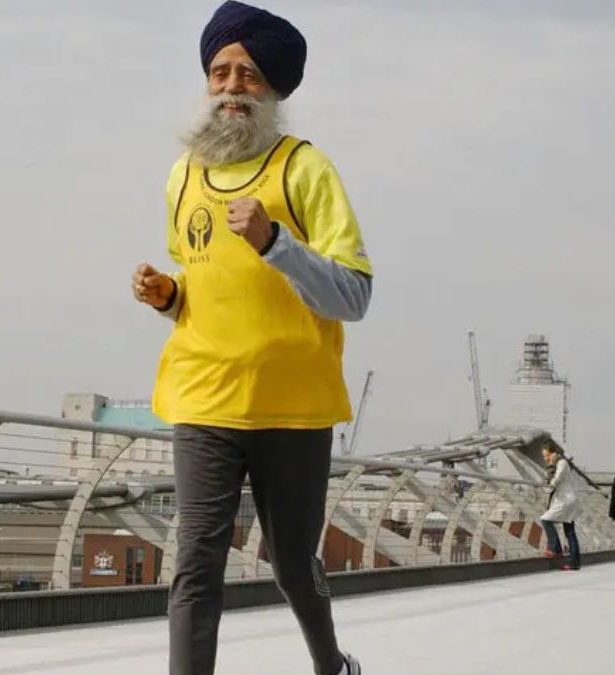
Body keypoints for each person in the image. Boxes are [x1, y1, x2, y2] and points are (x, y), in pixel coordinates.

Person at [132, 3, 370, 673]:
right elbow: (203, 278)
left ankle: (331, 664)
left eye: (249, 74)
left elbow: (353, 295)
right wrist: (170, 294)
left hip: (292, 407)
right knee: (195, 566)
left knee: (293, 564)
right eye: (220, 72)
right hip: (203, 398)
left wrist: (275, 241)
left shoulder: (305, 170)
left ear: (275, 89)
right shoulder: (183, 177)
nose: (233, 86)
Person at [539, 445, 582, 571]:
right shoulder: (559, 464)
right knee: (570, 532)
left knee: (545, 519)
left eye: (547, 455)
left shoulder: (562, 463)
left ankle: (555, 549)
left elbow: (556, 480)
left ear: (555, 453)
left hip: (566, 501)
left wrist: (551, 471)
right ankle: (575, 563)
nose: (546, 459)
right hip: (568, 499)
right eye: (544, 457)